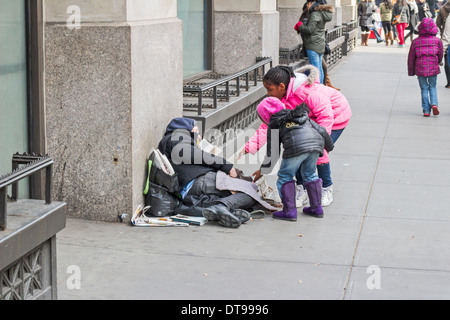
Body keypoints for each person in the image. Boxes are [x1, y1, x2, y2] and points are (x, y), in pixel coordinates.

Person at [239, 65, 352, 207]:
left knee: (318, 151)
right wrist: (249, 147)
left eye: (270, 89)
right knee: (299, 148)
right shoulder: (282, 99)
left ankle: (326, 188)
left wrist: (320, 142)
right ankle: (302, 188)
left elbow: (326, 116)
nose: (268, 94)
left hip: (335, 116)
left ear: (281, 86)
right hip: (310, 120)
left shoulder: (307, 92)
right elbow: (268, 125)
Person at [158, 118, 262, 228]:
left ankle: (216, 208)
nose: (199, 136)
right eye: (196, 131)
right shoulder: (177, 137)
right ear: (186, 129)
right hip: (197, 180)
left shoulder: (176, 140)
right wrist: (225, 165)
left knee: (244, 193)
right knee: (250, 190)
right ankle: (222, 207)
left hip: (191, 188)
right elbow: (191, 154)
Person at [252, 98, 334, 221]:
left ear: (265, 116)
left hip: (296, 148)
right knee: (310, 174)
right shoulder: (301, 115)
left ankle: (289, 211)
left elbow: (273, 154)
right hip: (315, 146)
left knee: (285, 175)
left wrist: (262, 171)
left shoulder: (275, 124)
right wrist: (329, 146)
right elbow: (321, 130)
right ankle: (316, 208)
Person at [407, 18, 443, 116]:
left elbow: (411, 58)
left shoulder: (415, 41)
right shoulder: (437, 41)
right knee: (432, 86)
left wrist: (411, 71)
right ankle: (434, 104)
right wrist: (438, 62)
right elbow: (440, 54)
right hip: (433, 68)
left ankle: (426, 110)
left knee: (423, 88)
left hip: (420, 68)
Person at [295, 0, 334, 84]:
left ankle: (318, 88)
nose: (309, 4)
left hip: (313, 46)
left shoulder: (314, 15)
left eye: (310, 3)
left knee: (315, 70)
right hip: (319, 45)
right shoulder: (321, 14)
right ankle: (321, 86)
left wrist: (299, 26)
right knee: (319, 68)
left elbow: (309, 30)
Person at [436, 0, 450, 88]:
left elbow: (437, 24)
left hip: (446, 39)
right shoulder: (443, 9)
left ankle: (449, 82)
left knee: (447, 62)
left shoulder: (443, 9)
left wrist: (442, 31)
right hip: (446, 38)